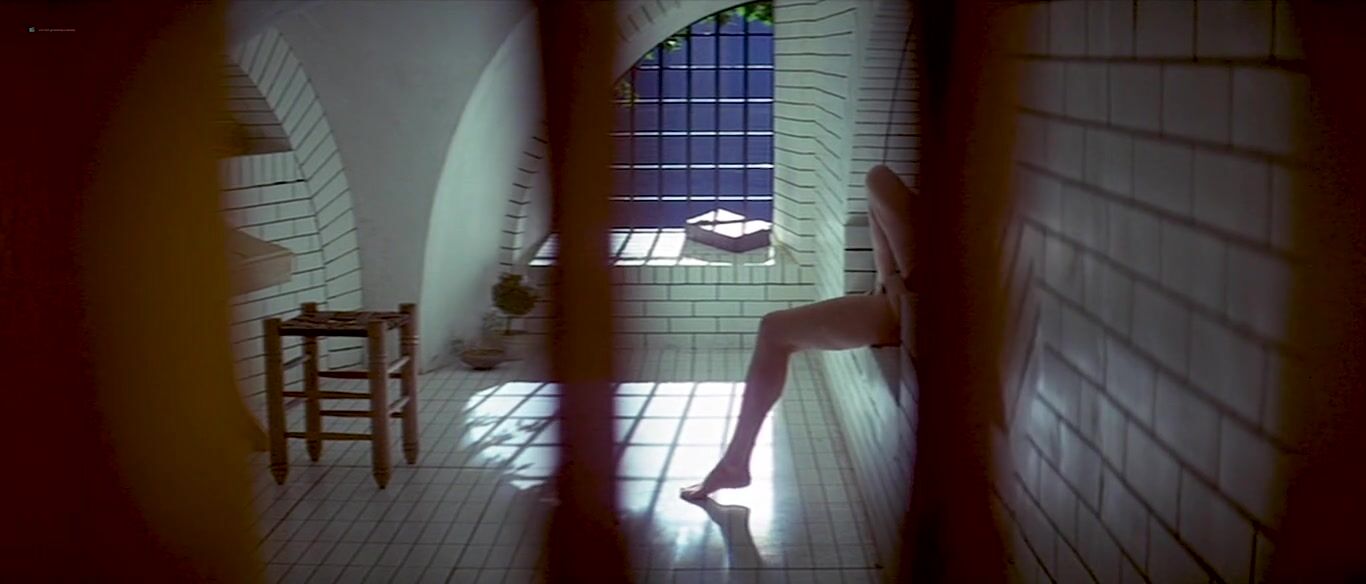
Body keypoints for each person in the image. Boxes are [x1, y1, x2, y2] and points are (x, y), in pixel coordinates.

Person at [681, 164, 917, 500]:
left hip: (917, 311)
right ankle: (734, 463)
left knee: (878, 179)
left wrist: (894, 285)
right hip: (901, 303)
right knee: (774, 329)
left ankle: (735, 463)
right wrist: (889, 283)